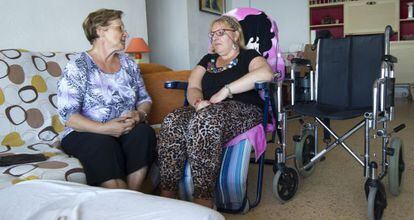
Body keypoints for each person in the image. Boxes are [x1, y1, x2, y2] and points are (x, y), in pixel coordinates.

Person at [157, 15, 273, 208]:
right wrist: (197, 102)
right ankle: (167, 195)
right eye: (212, 34)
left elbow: (265, 74)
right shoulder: (208, 60)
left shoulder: (249, 56)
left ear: (235, 35)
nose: (215, 38)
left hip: (243, 108)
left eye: (221, 33)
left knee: (206, 121)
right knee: (172, 120)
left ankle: (203, 200)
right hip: (207, 108)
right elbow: (193, 85)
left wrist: (226, 91)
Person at [57, 9, 156, 191]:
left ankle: (132, 195)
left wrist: (139, 114)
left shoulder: (129, 64)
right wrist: (104, 129)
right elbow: (68, 115)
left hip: (125, 129)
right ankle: (122, 200)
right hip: (85, 132)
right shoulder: (78, 65)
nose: (125, 33)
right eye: (120, 28)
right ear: (100, 31)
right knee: (103, 143)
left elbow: (145, 99)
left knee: (144, 133)